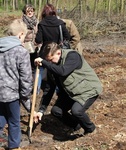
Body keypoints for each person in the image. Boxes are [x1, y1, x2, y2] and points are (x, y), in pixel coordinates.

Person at [34, 42, 102, 136]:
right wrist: (41, 110)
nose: (50, 63)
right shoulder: (52, 67)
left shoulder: (72, 56)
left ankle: (91, 130)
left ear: (58, 53)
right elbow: (49, 89)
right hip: (71, 92)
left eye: (51, 60)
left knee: (76, 111)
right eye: (48, 61)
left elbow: (63, 71)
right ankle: (76, 126)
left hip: (88, 89)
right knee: (56, 111)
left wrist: (44, 63)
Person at [0, 19, 33, 150]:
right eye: (24, 37)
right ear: (20, 34)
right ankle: (13, 146)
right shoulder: (21, 51)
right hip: (12, 93)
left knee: (1, 115)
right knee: (14, 121)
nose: (23, 40)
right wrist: (25, 95)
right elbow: (26, 78)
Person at [22, 4, 38, 70]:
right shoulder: (22, 21)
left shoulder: (36, 21)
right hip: (25, 46)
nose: (30, 12)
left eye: (31, 11)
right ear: (25, 12)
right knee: (25, 66)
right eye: (28, 11)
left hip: (35, 46)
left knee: (34, 65)